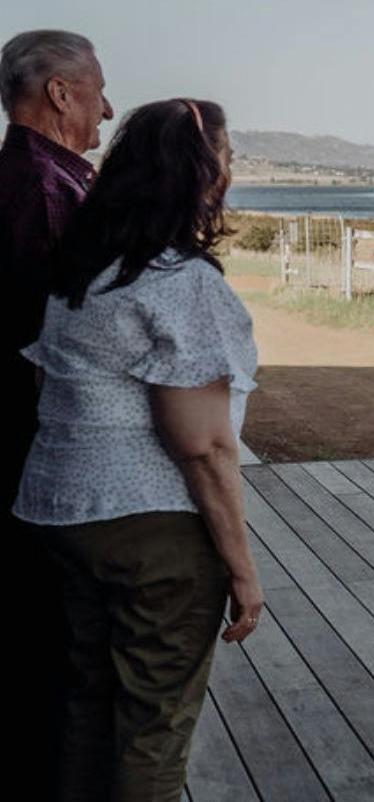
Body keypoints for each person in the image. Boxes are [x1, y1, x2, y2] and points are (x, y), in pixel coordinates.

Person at [14, 98, 263, 802]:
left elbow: (46, 382)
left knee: (89, 708)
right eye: (228, 158)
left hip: (60, 512)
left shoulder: (83, 275)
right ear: (201, 173)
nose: (231, 173)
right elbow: (204, 447)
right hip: (150, 529)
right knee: (153, 729)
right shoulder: (181, 283)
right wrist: (243, 570)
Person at [0, 28, 113, 798]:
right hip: (35, 465)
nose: (108, 107)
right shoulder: (44, 189)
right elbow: (42, 345)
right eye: (97, 89)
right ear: (60, 94)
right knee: (48, 652)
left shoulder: (44, 177)